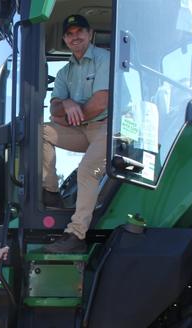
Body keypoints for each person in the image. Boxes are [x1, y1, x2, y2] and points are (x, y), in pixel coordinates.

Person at [42, 14, 110, 253]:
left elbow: (101, 103)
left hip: (108, 129)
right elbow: (54, 110)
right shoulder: (64, 73)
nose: (75, 37)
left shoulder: (104, 59)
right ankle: (50, 193)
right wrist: (67, 103)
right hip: (82, 131)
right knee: (42, 132)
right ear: (64, 39)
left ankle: (76, 235)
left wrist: (70, 111)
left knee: (87, 170)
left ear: (90, 34)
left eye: (79, 31)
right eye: (70, 34)